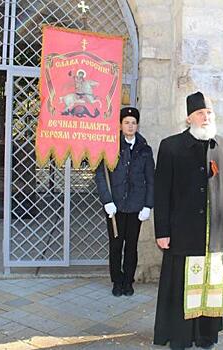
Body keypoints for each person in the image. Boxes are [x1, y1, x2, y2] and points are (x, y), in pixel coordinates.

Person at [153, 91, 223, 350]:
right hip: (182, 233)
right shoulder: (170, 146)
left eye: (209, 113)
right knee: (181, 286)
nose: (206, 117)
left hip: (214, 234)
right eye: (200, 113)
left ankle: (206, 335)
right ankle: (180, 336)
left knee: (210, 286)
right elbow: (161, 192)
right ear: (189, 117)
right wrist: (162, 231)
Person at [95, 107, 154, 297]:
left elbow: (151, 178)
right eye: (127, 122)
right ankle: (117, 281)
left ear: (137, 125)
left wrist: (148, 205)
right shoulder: (109, 145)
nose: (130, 126)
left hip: (136, 206)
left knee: (131, 246)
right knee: (115, 245)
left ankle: (128, 281)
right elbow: (101, 175)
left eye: (133, 122)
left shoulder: (144, 148)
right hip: (115, 206)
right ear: (120, 125)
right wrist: (107, 200)